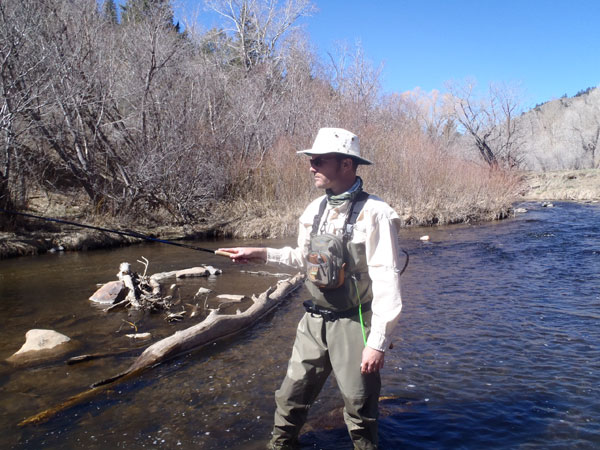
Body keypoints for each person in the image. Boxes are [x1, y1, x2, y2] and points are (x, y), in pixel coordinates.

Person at [219, 128, 403, 450]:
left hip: (356, 321)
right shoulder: (313, 210)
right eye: (311, 160)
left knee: (359, 409)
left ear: (346, 164)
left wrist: (378, 342)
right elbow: (303, 258)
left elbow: (387, 280)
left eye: (318, 160)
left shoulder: (377, 214)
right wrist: (260, 253)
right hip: (314, 322)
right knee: (290, 398)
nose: (311, 166)